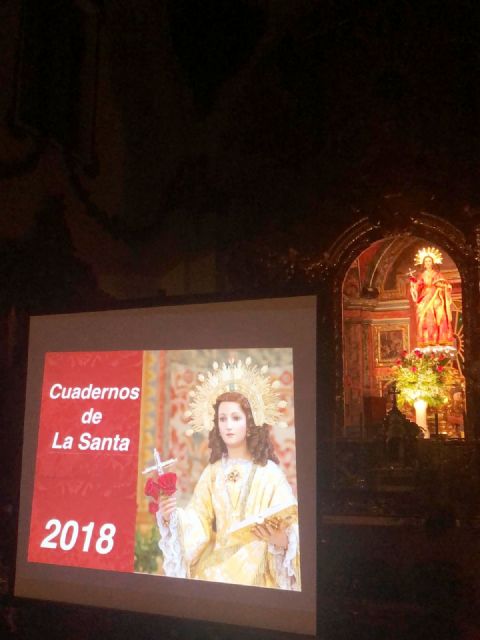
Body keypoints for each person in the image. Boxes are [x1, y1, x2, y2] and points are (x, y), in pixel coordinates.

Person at [156, 367, 300, 590]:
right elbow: (198, 520)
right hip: (215, 572)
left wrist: (282, 539)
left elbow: (292, 522)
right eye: (222, 419)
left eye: (236, 418)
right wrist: (172, 517)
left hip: (258, 576)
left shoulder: (270, 474)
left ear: (250, 424)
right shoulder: (212, 472)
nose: (228, 425)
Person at [409, 249, 453, 348]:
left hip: (436, 295)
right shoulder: (422, 275)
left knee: (440, 314)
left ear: (432, 263)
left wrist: (443, 286)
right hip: (425, 296)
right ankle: (428, 339)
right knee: (424, 315)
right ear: (424, 264)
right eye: (426, 261)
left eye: (429, 261)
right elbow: (417, 287)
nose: (428, 263)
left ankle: (439, 338)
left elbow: (446, 285)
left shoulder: (437, 274)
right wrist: (413, 285)